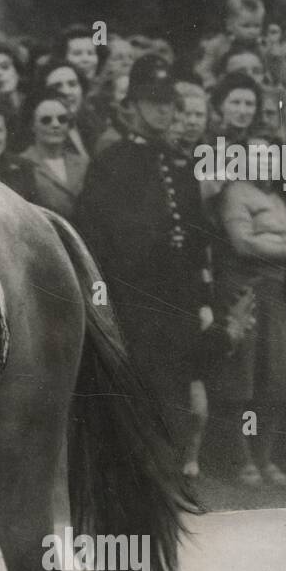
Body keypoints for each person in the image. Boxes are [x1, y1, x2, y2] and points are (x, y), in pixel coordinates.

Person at [78, 53, 214, 447]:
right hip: (131, 305)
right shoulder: (110, 163)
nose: (163, 110)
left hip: (178, 306)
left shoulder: (181, 164)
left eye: (168, 102)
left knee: (177, 398)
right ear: (130, 107)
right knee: (138, 401)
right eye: (152, 101)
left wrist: (203, 300)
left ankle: (171, 477)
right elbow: (96, 240)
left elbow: (196, 239)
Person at [217, 132, 286, 487]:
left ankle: (266, 458)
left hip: (277, 296)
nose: (264, 163)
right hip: (247, 293)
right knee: (245, 382)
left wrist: (281, 244)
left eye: (270, 157)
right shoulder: (236, 193)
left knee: (277, 382)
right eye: (256, 157)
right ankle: (244, 460)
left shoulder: (279, 201)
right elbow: (242, 243)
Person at [18, 97, 88, 220]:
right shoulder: (22, 163)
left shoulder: (83, 163)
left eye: (62, 119)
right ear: (33, 126)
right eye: (46, 120)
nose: (55, 124)